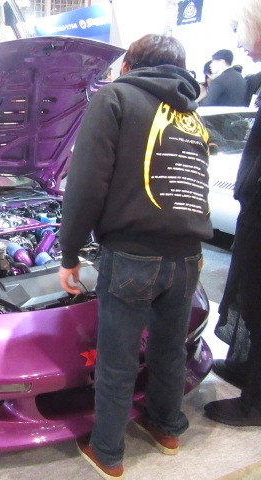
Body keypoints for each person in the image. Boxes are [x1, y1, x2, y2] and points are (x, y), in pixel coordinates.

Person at [58, 34, 212, 479]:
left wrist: (69, 253)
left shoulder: (115, 98)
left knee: (118, 357)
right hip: (188, 256)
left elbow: (87, 184)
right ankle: (167, 426)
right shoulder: (191, 114)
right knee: (170, 350)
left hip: (132, 254)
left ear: (128, 64)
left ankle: (107, 451)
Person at [203, 0, 261, 427]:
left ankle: (256, 404)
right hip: (254, 213)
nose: (239, 42)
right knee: (249, 294)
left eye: (241, 30)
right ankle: (245, 369)